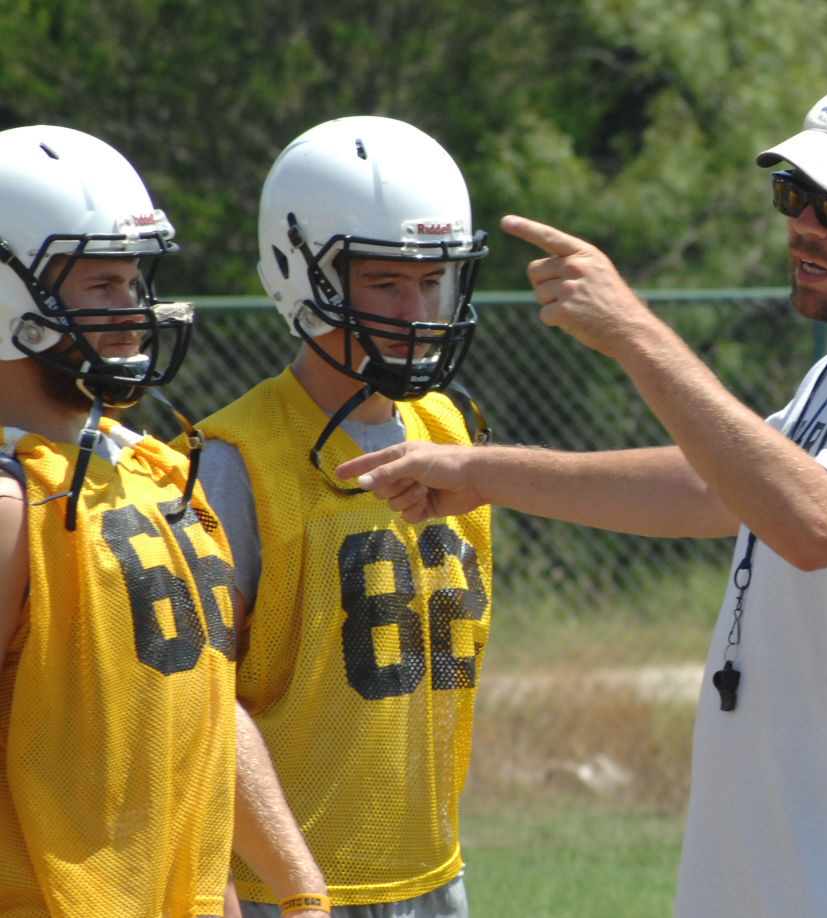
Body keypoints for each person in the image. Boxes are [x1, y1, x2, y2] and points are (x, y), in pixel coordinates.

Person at [338, 70, 827, 917]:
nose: (807, 227)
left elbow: (815, 523)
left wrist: (634, 333)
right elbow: (718, 486)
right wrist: (482, 474)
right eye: (795, 193)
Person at [0, 124, 327, 918]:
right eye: (99, 285)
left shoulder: (152, 468)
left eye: (132, 281)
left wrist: (295, 885)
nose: (133, 310)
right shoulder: (13, 500)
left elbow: (202, 703)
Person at [191, 115, 492, 918]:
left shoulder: (452, 431)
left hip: (432, 871)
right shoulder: (235, 458)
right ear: (304, 276)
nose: (419, 308)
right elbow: (196, 703)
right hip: (282, 887)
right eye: (387, 282)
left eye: (432, 281)